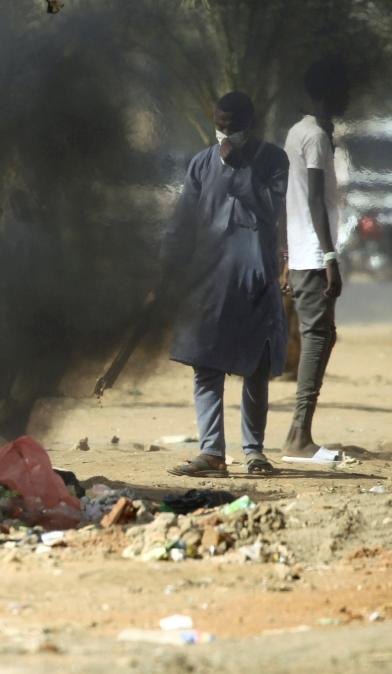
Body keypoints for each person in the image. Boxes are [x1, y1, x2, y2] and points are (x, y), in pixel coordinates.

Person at [162, 92, 289, 478]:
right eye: (219, 125)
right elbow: (183, 221)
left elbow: (271, 209)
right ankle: (211, 452)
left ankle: (254, 452)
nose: (224, 133)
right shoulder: (201, 163)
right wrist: (167, 268)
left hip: (255, 278)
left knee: (256, 367)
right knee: (206, 364)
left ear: (249, 123)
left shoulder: (273, 160)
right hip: (210, 279)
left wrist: (240, 169)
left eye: (231, 126)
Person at [281, 58, 351, 460]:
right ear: (329, 92)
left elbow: (289, 199)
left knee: (324, 336)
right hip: (313, 254)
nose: (348, 98)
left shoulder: (301, 132)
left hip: (303, 251)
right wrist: (329, 256)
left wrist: (286, 255)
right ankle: (298, 436)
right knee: (318, 338)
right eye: (344, 91)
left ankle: (300, 433)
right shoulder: (315, 137)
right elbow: (312, 200)